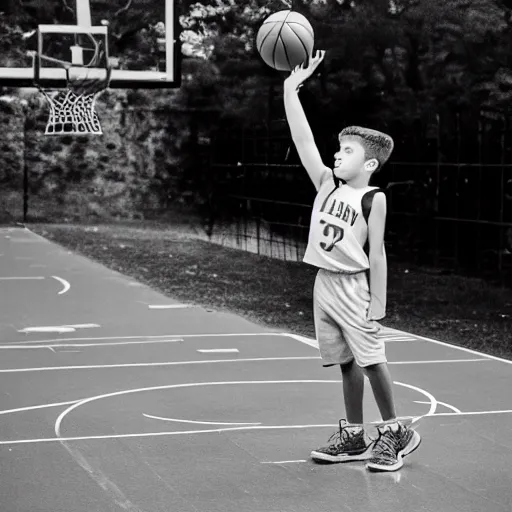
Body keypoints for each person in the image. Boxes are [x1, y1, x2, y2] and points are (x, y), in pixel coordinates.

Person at [283, 50, 421, 472]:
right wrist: (291, 89)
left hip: (354, 285)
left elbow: (377, 254)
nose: (338, 155)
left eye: (347, 150)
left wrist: (378, 303)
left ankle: (396, 431)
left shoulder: (371, 197)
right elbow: (303, 139)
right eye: (338, 149)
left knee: (372, 358)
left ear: (371, 163)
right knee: (345, 363)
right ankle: (355, 436)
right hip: (323, 283)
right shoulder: (325, 183)